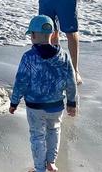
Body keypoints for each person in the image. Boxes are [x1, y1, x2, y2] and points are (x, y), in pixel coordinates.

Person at [9, 15, 78, 172]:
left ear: (32, 35)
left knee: (37, 136)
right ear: (53, 34)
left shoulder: (28, 57)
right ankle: (51, 162)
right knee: (54, 130)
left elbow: (21, 81)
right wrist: (72, 102)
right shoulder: (64, 56)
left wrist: (14, 102)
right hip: (56, 106)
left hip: (35, 107)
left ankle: (40, 168)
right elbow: (71, 81)